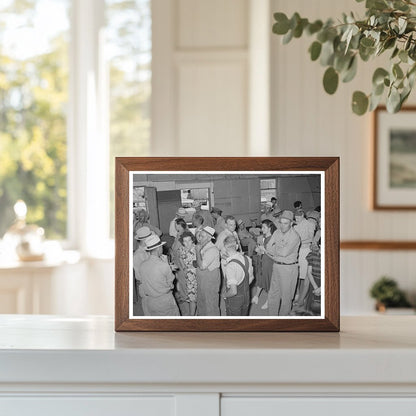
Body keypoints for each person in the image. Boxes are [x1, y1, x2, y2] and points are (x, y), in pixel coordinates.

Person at [266, 210, 301, 316]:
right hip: (276, 266)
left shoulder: (294, 236)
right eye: (281, 222)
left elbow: (284, 253)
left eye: (285, 223)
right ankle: (272, 318)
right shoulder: (277, 232)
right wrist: (278, 249)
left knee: (286, 298)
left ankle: (282, 321)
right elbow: (268, 247)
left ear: (291, 223)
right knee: (273, 294)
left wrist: (275, 248)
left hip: (288, 269)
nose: (282, 226)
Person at [137, 234, 180, 316]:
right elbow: (170, 285)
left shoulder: (142, 265)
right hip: (164, 301)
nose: (162, 248)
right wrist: (168, 267)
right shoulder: (163, 265)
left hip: (150, 301)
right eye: (161, 247)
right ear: (158, 248)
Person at [222, 235, 254, 316]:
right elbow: (251, 278)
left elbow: (233, 291)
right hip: (246, 295)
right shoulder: (247, 259)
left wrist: (224, 295)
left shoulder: (230, 266)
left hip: (235, 300)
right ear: (236, 246)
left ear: (225, 247)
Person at [251, 219, 277, 310]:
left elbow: (274, 255)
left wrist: (263, 250)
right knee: (260, 279)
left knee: (269, 282)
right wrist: (258, 250)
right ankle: (256, 296)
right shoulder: (264, 237)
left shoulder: (273, 239)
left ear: (269, 228)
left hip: (269, 263)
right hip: (262, 261)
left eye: (264, 227)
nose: (262, 229)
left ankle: (269, 301)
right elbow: (262, 250)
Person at [195, 226, 221, 316]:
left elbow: (202, 266)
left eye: (202, 236)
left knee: (210, 304)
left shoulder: (213, 250)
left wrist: (197, 251)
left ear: (209, 238)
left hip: (209, 282)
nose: (199, 238)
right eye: (199, 236)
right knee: (202, 302)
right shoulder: (203, 246)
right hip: (202, 281)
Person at [293, 209, 315, 302]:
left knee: (306, 275)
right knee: (296, 273)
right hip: (297, 251)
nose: (296, 219)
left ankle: (304, 296)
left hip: (306, 250)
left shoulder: (310, 224)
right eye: (295, 217)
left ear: (302, 216)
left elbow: (311, 239)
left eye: (298, 217)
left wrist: (299, 242)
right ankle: (297, 294)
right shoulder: (294, 226)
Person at [170, 218, 189, 314]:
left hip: (182, 263)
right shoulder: (178, 235)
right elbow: (174, 247)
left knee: (184, 281)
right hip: (177, 261)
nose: (175, 227)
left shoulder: (186, 235)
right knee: (180, 281)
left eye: (176, 225)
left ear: (180, 225)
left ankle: (186, 298)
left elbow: (186, 251)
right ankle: (183, 295)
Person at [132, 226, 152, 313]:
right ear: (144, 240)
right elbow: (139, 275)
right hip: (145, 285)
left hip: (150, 284)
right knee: (148, 310)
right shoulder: (138, 255)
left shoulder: (146, 251)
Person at [178, 231, 198, 316]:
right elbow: (180, 258)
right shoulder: (181, 249)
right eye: (185, 241)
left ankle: (192, 316)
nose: (187, 243)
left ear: (192, 240)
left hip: (197, 276)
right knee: (191, 298)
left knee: (194, 298)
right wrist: (184, 268)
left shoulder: (197, 249)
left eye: (189, 240)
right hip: (188, 277)